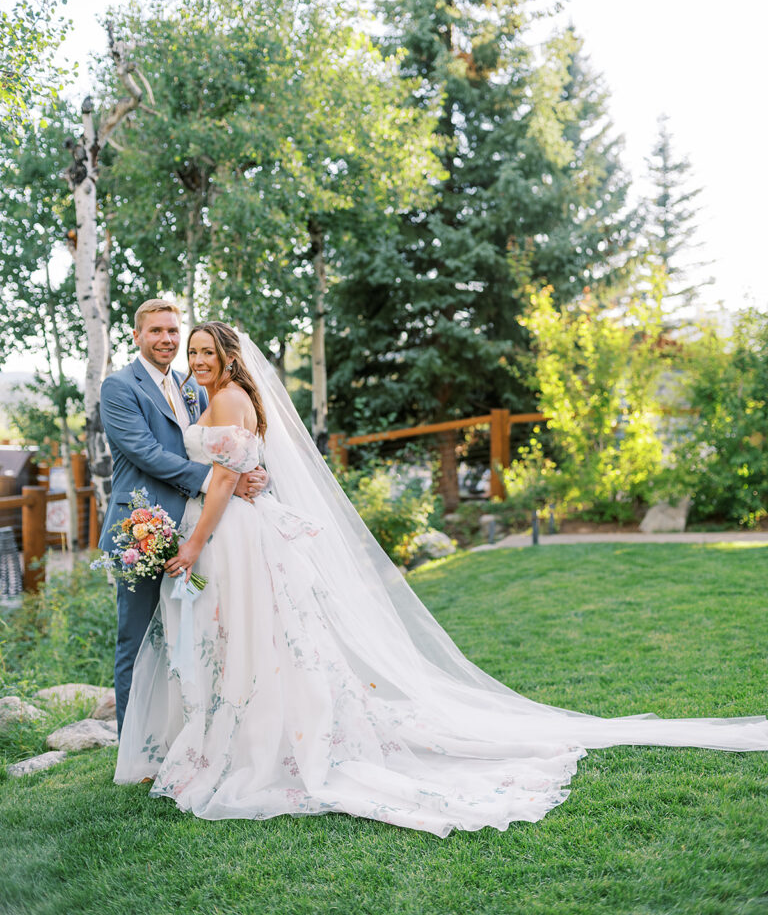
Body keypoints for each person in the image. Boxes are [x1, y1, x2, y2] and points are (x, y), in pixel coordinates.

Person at [114, 321, 768, 836]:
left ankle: (254, 740)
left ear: (228, 356)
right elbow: (238, 469)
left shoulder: (225, 398)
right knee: (259, 640)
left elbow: (227, 476)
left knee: (252, 639)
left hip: (231, 535)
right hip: (243, 531)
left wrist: (194, 541)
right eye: (191, 350)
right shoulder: (227, 396)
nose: (196, 358)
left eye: (206, 349)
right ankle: (260, 731)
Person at [100, 301, 268, 736]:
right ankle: (133, 743)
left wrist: (248, 472)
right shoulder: (119, 387)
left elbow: (220, 443)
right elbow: (145, 453)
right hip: (142, 532)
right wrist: (219, 480)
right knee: (137, 641)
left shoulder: (192, 385)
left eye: (173, 331)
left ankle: (186, 735)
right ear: (137, 336)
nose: (168, 340)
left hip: (200, 532)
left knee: (192, 635)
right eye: (156, 331)